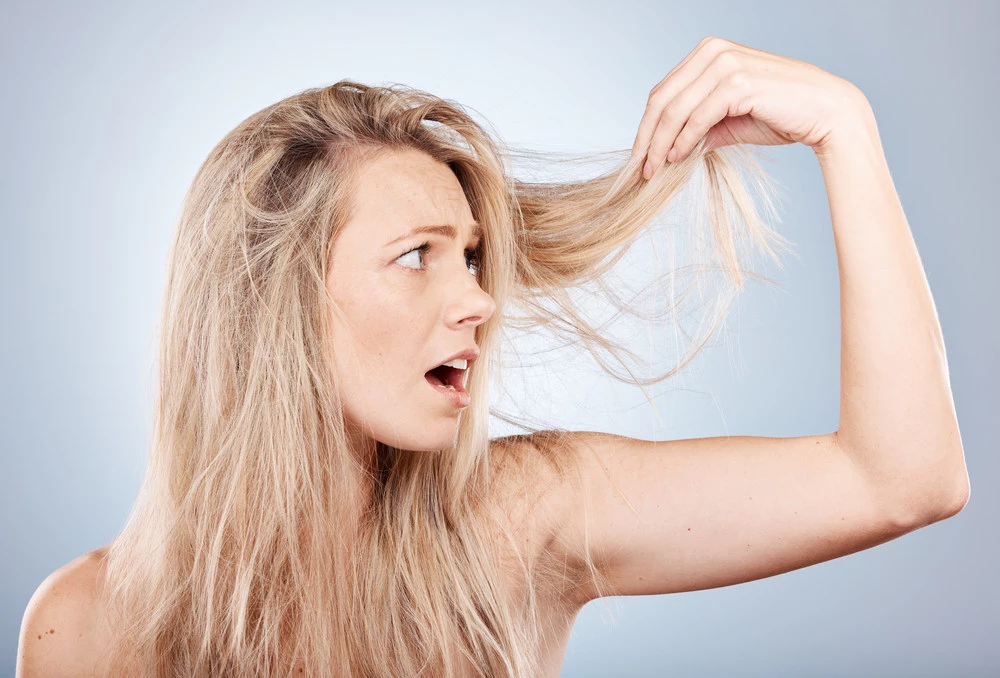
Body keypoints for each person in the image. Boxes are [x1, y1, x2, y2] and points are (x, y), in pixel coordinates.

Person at [16, 36, 968, 677]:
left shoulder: (524, 518)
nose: (476, 297)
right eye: (415, 256)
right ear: (278, 304)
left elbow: (901, 479)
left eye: (470, 255)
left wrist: (846, 128)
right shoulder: (84, 625)